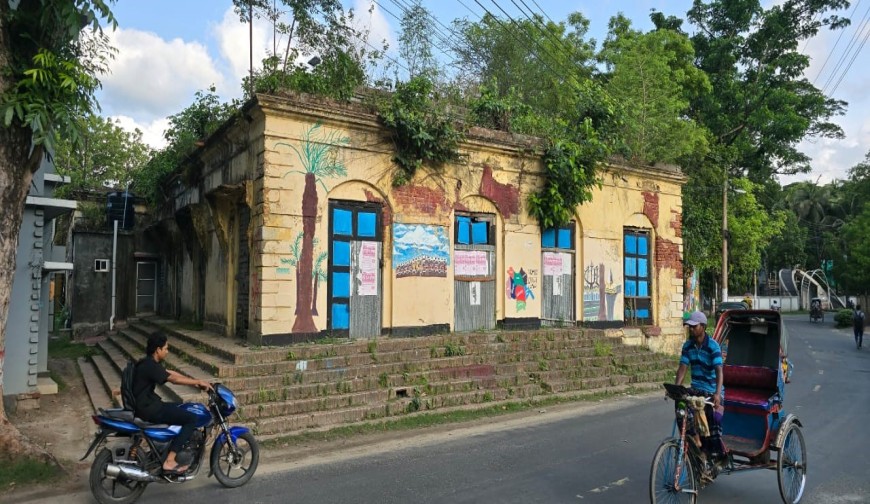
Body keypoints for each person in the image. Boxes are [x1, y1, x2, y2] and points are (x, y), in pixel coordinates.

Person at [132, 331, 213, 473]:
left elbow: (171, 373)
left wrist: (195, 383)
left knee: (182, 408)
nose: (167, 352)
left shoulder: (148, 363)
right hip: (150, 409)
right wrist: (198, 381)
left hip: (147, 405)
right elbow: (173, 380)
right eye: (166, 349)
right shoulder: (151, 366)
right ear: (158, 350)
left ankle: (167, 447)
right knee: (191, 418)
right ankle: (170, 460)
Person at [675, 311, 725, 474]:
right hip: (696, 387)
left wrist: (717, 394)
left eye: (693, 326)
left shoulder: (713, 346)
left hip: (711, 389)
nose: (690, 329)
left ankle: (712, 453)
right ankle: (693, 438)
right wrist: (676, 388)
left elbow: (719, 371)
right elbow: (683, 368)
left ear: (702, 327)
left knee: (710, 416)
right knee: (681, 404)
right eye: (689, 327)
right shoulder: (688, 346)